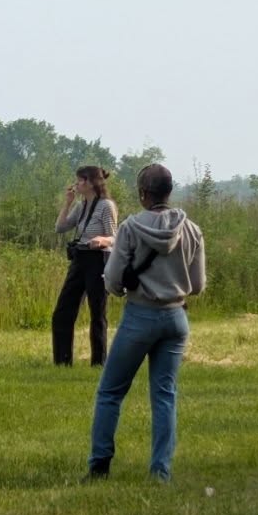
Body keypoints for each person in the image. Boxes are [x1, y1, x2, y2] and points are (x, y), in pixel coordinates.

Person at [87, 163, 205, 482]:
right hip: (176, 318)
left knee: (111, 392)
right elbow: (197, 284)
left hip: (140, 315)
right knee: (165, 395)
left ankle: (100, 466)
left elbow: (113, 278)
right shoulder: (191, 229)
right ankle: (160, 472)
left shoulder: (130, 227)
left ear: (143, 194)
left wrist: (121, 289)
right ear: (169, 191)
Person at [52, 165, 118, 366]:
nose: (77, 184)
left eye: (81, 180)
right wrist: (68, 203)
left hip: (98, 260)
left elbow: (115, 237)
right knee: (63, 311)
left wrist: (102, 240)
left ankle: (99, 362)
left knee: (97, 312)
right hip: (80, 259)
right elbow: (60, 227)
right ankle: (62, 361)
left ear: (91, 183)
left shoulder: (106, 206)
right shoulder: (81, 206)